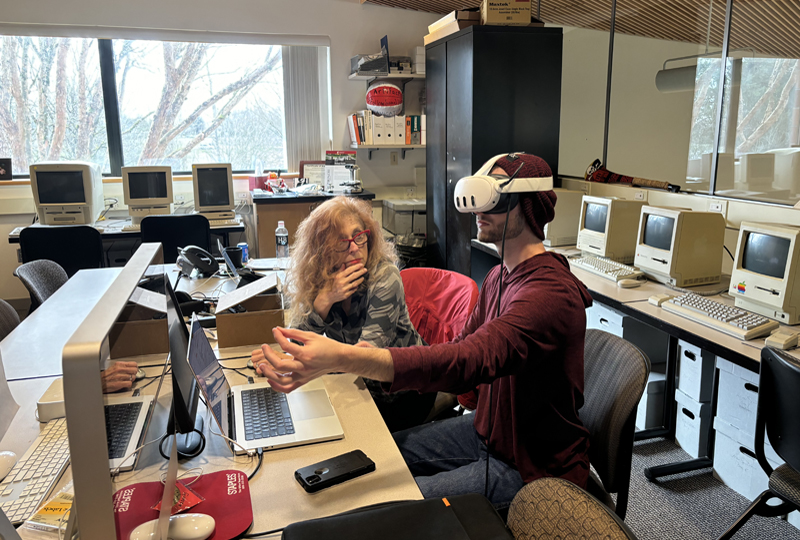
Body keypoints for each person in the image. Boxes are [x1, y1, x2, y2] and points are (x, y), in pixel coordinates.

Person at [252, 154, 592, 510]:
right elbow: (462, 350)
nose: (479, 209)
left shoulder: (548, 295)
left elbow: (469, 360)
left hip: (532, 468)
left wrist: (339, 357)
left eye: (494, 200)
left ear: (528, 206)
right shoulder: (498, 277)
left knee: (386, 503)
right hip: (486, 434)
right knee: (371, 461)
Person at [253, 196, 434, 431]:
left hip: (403, 392)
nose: (355, 248)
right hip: (358, 387)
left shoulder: (385, 277)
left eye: (359, 236)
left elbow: (366, 357)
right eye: (342, 242)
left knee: (325, 432)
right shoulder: (321, 280)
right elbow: (297, 341)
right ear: (322, 251)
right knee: (303, 421)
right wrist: (324, 300)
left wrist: (295, 362)